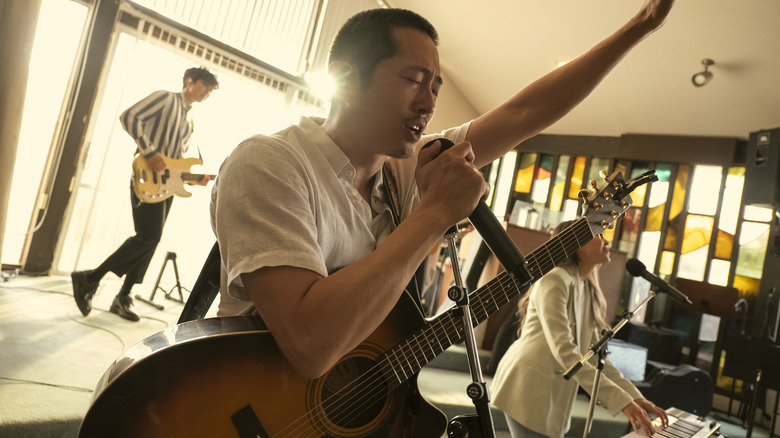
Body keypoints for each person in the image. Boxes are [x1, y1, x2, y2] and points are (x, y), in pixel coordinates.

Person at [211, 0, 673, 431]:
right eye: (413, 79)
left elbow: (524, 112)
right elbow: (309, 345)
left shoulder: (406, 172)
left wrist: (641, 26)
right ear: (346, 80)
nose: (429, 103)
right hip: (248, 414)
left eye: (436, 86)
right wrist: (433, 213)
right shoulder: (270, 163)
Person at [490, 221, 668, 437]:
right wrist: (622, 403)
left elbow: (594, 356)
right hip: (528, 388)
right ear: (576, 243)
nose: (606, 240)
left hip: (549, 394)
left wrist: (634, 397)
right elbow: (566, 353)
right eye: (598, 235)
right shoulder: (555, 279)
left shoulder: (583, 285)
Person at [71, 66, 218, 322]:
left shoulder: (189, 122)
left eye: (210, 90)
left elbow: (174, 163)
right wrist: (149, 151)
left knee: (150, 239)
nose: (207, 93)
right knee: (149, 236)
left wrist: (193, 178)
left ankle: (123, 296)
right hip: (145, 179)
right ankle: (89, 278)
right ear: (189, 81)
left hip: (166, 187)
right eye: (205, 86)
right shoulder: (165, 98)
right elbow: (129, 116)